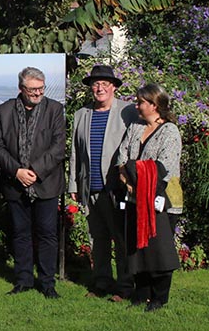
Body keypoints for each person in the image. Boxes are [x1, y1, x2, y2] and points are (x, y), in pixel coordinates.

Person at [0, 67, 65, 299]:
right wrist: (17, 171)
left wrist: (34, 171)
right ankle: (23, 280)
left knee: (47, 234)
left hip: (46, 182)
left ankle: (47, 282)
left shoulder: (54, 109)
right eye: (32, 90)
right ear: (21, 89)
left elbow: (58, 146)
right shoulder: (3, 111)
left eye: (41, 89)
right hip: (15, 183)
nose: (37, 94)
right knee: (20, 233)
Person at [68, 65, 138, 301]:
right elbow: (75, 153)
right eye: (95, 85)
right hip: (91, 188)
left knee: (120, 239)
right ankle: (101, 282)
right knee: (97, 239)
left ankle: (126, 286)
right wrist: (74, 185)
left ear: (114, 87)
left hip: (116, 188)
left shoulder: (127, 112)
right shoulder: (81, 114)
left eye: (104, 84)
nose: (99, 88)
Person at [117, 83, 181, 312]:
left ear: (154, 105)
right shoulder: (135, 127)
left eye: (140, 102)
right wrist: (127, 176)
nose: (136, 105)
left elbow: (165, 167)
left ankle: (159, 296)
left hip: (160, 199)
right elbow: (122, 156)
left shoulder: (170, 132)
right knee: (137, 247)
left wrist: (135, 169)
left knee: (158, 248)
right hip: (134, 197)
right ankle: (141, 292)